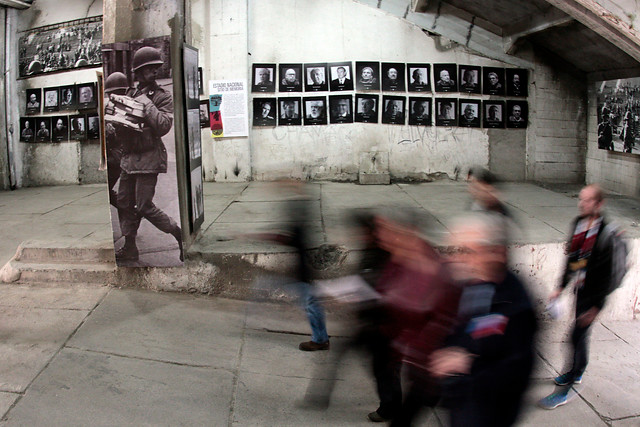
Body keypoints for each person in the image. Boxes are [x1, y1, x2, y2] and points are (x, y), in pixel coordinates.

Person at [430, 212, 537, 427]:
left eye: (465, 251)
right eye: (454, 250)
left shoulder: (516, 305)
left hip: (489, 412)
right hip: (462, 402)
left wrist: (469, 365)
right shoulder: (470, 282)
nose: (456, 259)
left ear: (495, 252)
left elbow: (517, 373)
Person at [538, 184, 615, 409]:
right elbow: (574, 259)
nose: (582, 204)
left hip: (594, 296)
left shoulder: (606, 233)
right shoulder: (579, 224)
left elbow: (609, 276)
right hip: (580, 291)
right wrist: (560, 287)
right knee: (580, 336)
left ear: (599, 204)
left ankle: (566, 389)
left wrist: (596, 307)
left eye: (588, 200)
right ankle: (577, 372)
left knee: (575, 338)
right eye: (581, 199)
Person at [115, 45, 183, 263]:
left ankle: (177, 233)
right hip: (129, 158)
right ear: (139, 72)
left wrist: (145, 103)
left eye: (156, 68)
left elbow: (163, 126)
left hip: (148, 158)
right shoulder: (129, 94)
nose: (154, 72)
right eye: (149, 69)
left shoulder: (163, 96)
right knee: (125, 203)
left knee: (144, 206)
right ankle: (130, 247)